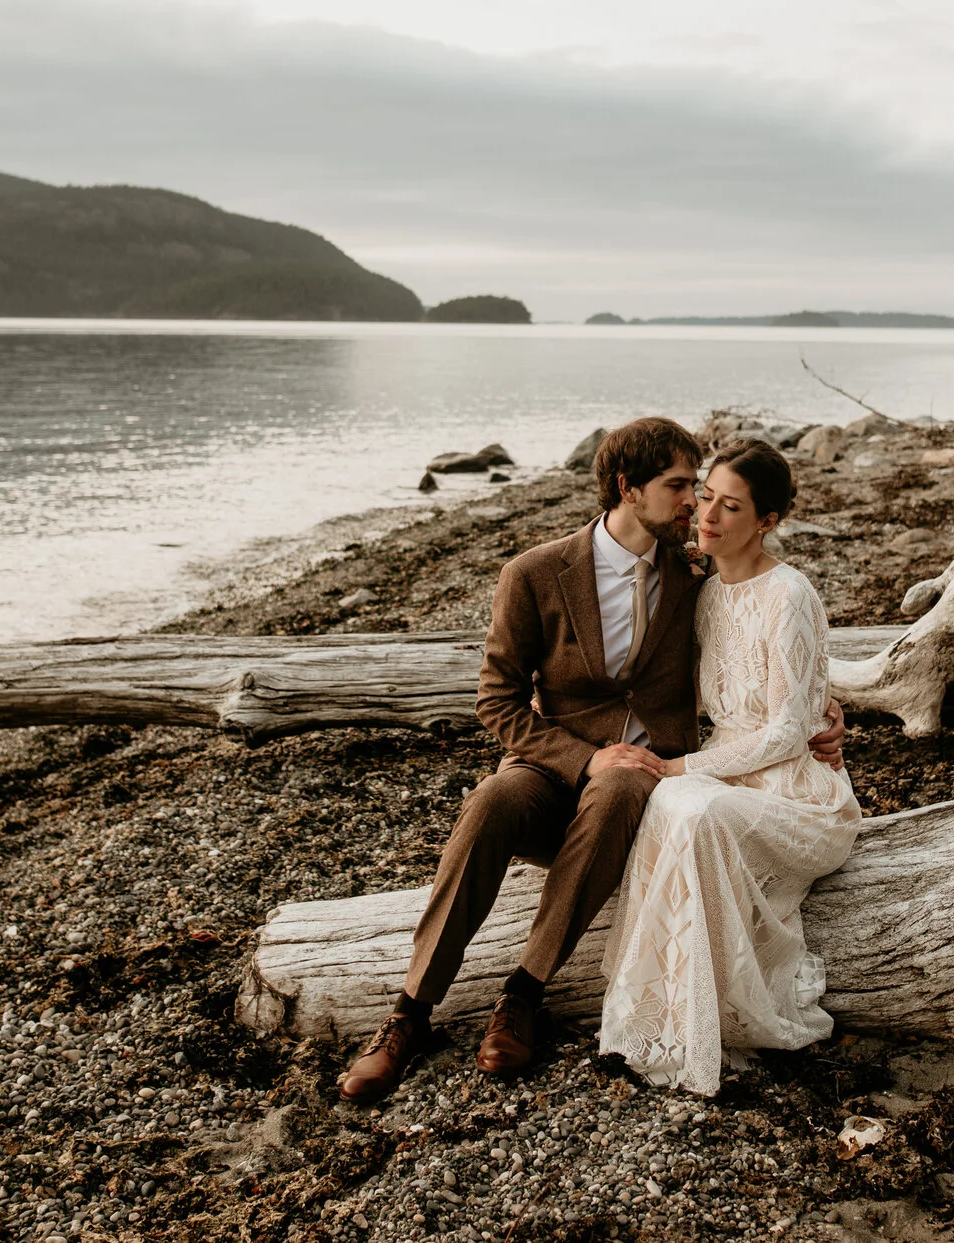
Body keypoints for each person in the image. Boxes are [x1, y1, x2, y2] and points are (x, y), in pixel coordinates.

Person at [337, 417, 846, 1104]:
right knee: (489, 803)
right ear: (624, 488)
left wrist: (826, 713)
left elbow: (773, 641)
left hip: (645, 782)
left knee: (618, 787)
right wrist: (584, 756)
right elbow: (497, 704)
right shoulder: (536, 573)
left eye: (701, 488)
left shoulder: (692, 573)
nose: (694, 502)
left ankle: (523, 994)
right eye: (679, 487)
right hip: (554, 767)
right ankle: (407, 1013)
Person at [597, 438, 862, 1094]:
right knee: (674, 803)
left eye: (731, 505)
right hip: (729, 771)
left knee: (695, 802)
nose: (708, 514)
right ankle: (655, 1018)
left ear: (766, 521)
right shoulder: (705, 593)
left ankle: (731, 1014)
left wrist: (680, 764)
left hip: (800, 792)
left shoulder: (789, 593)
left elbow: (786, 730)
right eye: (706, 496)